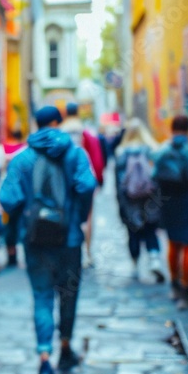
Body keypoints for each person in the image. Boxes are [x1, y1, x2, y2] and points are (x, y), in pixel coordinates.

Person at [0, 105, 96, 374]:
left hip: (35, 241)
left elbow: (8, 199)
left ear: (37, 123)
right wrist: (78, 215)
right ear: (58, 122)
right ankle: (65, 347)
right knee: (68, 295)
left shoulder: (22, 159)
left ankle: (44, 359)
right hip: (69, 240)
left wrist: (20, 225)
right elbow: (87, 185)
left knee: (42, 297)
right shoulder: (76, 154)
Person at [155, 115, 188, 309]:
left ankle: (174, 284)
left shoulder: (162, 151)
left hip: (170, 203)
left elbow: (155, 177)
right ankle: (187, 289)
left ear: (172, 128)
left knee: (173, 243)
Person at [114, 119, 164, 282]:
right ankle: (155, 259)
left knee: (133, 232)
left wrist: (120, 203)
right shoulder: (152, 149)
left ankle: (135, 265)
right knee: (150, 230)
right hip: (150, 198)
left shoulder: (121, 152)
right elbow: (158, 176)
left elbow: (118, 181)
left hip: (129, 200)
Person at [60, 102, 103, 267]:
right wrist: (98, 180)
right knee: (87, 217)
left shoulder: (60, 133)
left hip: (64, 180)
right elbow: (97, 160)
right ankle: (86, 253)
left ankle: (67, 249)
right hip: (84, 179)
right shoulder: (86, 133)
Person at [0, 129, 29, 272]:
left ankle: (10, 255)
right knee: (21, 223)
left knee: (8, 224)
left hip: (4, 192)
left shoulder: (0, 149)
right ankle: (21, 254)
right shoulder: (25, 149)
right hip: (21, 191)